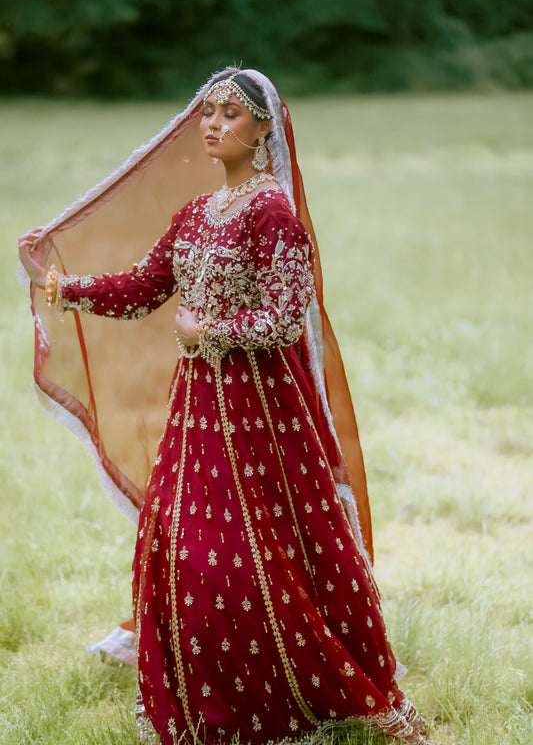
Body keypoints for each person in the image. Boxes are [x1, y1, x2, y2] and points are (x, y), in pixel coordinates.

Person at [18, 68, 430, 745]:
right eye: (208, 113)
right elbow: (143, 286)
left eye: (231, 115)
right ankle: (222, 693)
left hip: (262, 413)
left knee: (266, 548)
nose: (213, 124)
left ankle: (317, 687)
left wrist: (207, 331)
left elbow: (283, 318)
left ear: (264, 128)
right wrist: (57, 283)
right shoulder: (195, 213)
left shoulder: (274, 214)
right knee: (185, 545)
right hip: (198, 409)